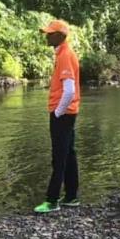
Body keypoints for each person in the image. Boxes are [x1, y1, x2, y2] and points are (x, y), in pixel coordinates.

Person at [34, 19, 81, 214]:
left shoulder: (65, 55)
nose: (47, 35)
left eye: (50, 33)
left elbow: (69, 90)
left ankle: (52, 200)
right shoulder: (64, 53)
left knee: (59, 157)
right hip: (68, 113)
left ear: (60, 36)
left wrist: (57, 112)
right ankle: (71, 196)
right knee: (69, 154)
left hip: (62, 113)